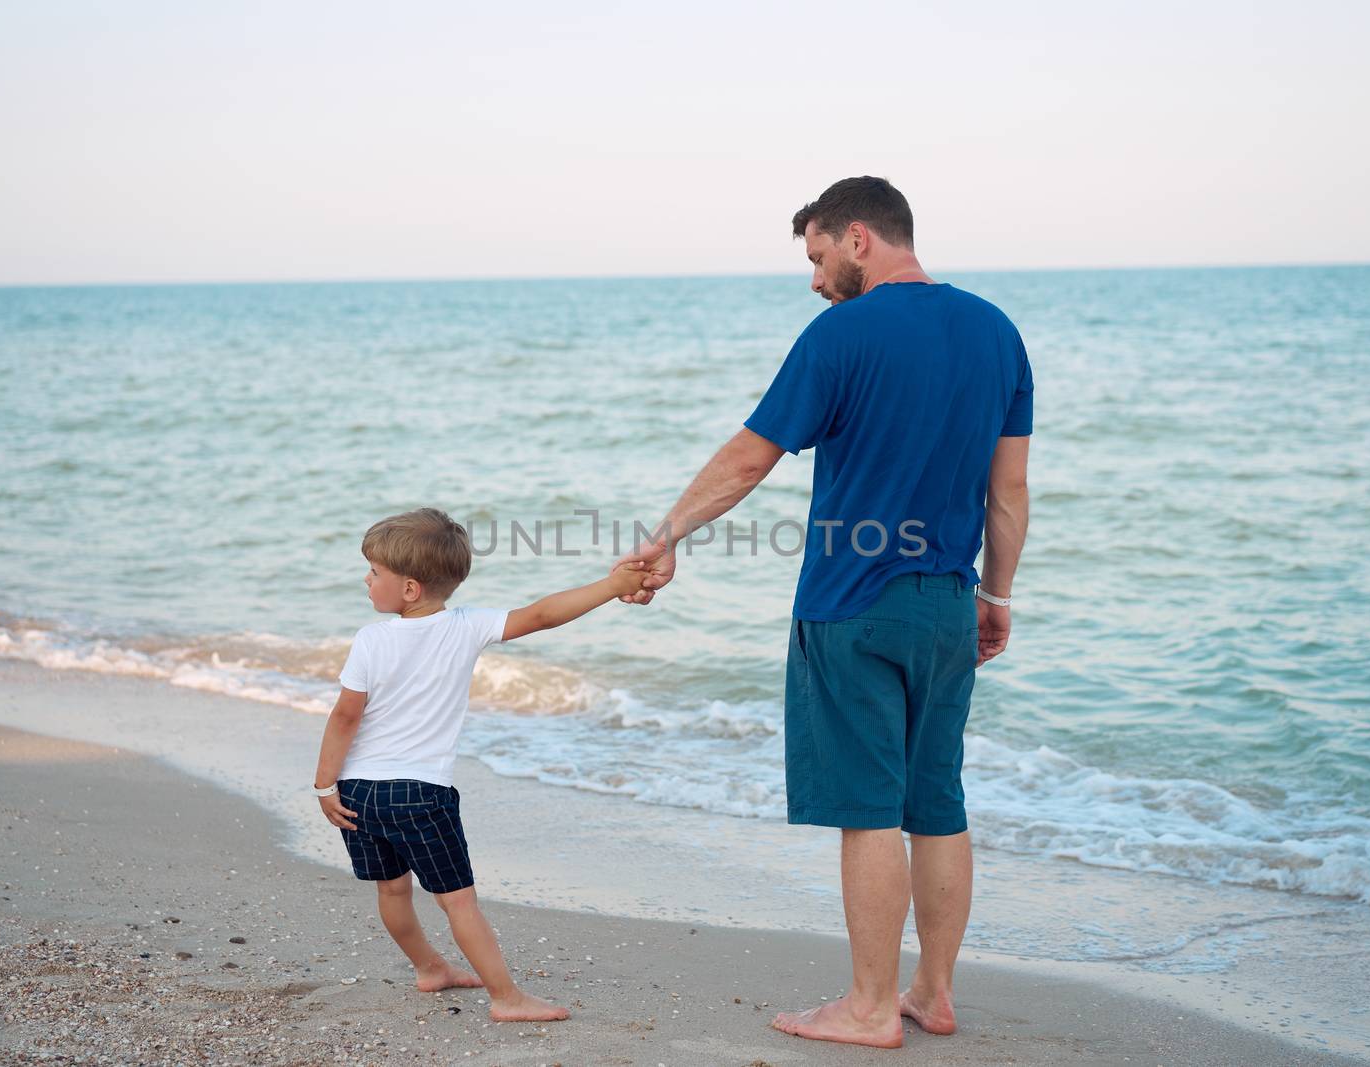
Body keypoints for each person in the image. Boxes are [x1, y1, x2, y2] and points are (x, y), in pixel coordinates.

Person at [615, 176, 1033, 1048]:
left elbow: (748, 456)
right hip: (949, 604)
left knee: (869, 810)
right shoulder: (999, 332)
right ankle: (933, 993)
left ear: (856, 237)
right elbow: (1009, 490)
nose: (813, 281)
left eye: (815, 258)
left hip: (852, 606)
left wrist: (669, 533)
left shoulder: (841, 332)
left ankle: (871, 1008)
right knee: (938, 802)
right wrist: (995, 594)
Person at [312, 507, 648, 1022]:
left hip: (358, 790)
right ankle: (506, 999)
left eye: (374, 572)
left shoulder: (369, 640)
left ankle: (430, 968)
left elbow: (344, 718)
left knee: (392, 888)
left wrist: (324, 786)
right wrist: (611, 585)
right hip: (419, 792)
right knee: (458, 902)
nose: (366, 579)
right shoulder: (466, 626)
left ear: (409, 589)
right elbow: (541, 614)